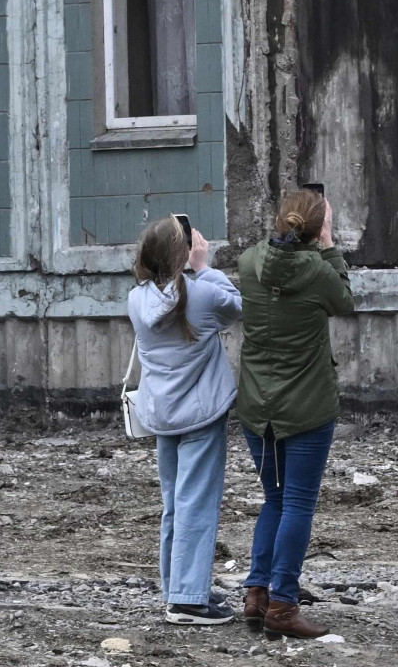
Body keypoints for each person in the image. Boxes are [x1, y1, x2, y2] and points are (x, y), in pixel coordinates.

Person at [236, 188, 354, 638]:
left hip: (256, 405)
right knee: (299, 503)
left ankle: (257, 593)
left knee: (275, 499)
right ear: (316, 227)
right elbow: (345, 300)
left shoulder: (248, 262)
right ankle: (283, 606)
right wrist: (329, 244)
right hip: (306, 407)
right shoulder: (318, 271)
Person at [127, 216, 244, 625]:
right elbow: (237, 306)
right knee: (197, 503)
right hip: (200, 414)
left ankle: (177, 588)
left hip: (162, 414)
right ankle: (188, 601)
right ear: (182, 254)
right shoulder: (202, 295)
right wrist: (205, 265)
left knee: (174, 504)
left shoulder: (136, 300)